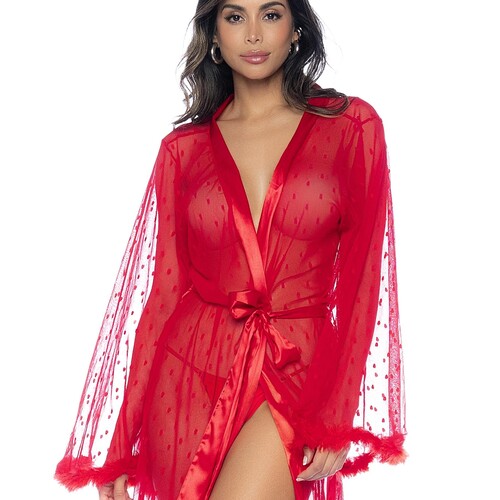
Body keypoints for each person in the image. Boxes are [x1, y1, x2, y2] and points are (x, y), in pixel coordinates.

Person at [55, 0, 406, 498]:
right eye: (235, 17)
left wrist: (338, 410)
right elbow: (164, 297)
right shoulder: (183, 150)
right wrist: (121, 444)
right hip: (188, 372)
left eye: (271, 14)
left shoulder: (350, 126)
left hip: (295, 366)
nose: (254, 34)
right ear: (215, 36)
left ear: (297, 29)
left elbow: (364, 279)